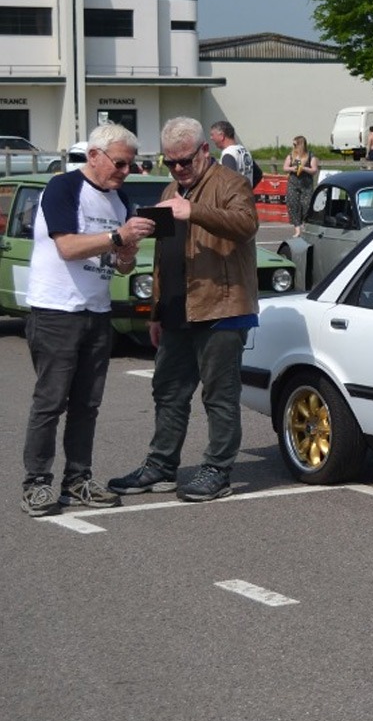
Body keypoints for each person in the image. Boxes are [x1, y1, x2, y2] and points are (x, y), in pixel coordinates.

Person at [107, 116, 260, 503]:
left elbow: (246, 224)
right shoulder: (172, 188)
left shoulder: (231, 183)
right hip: (178, 309)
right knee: (168, 391)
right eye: (170, 162)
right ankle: (160, 466)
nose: (178, 169)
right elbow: (164, 256)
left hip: (222, 308)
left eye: (185, 161)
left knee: (219, 394)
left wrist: (194, 212)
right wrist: (157, 312)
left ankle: (218, 469)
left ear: (205, 151)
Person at [20, 124, 156, 517]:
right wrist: (118, 237)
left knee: (87, 404)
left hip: (96, 313)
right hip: (56, 310)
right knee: (50, 402)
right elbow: (66, 247)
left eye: (132, 164)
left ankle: (77, 479)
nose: (125, 171)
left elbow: (120, 265)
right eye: (119, 163)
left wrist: (129, 250)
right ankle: (37, 483)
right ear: (95, 155)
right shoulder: (63, 188)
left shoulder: (120, 199)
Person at [282, 135, 318, 236]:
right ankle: (297, 229)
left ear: (300, 144)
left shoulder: (310, 155)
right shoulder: (291, 155)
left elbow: (314, 170)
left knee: (306, 205)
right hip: (293, 183)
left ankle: (305, 225)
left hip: (306, 184)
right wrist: (292, 169)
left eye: (295, 144)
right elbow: (285, 167)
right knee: (293, 204)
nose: (293, 146)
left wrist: (304, 168)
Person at [208, 120, 257, 187]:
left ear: (222, 135)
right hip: (247, 195)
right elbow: (258, 174)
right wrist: (248, 189)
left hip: (236, 196)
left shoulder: (228, 154)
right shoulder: (244, 150)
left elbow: (229, 182)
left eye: (212, 135)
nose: (211, 138)